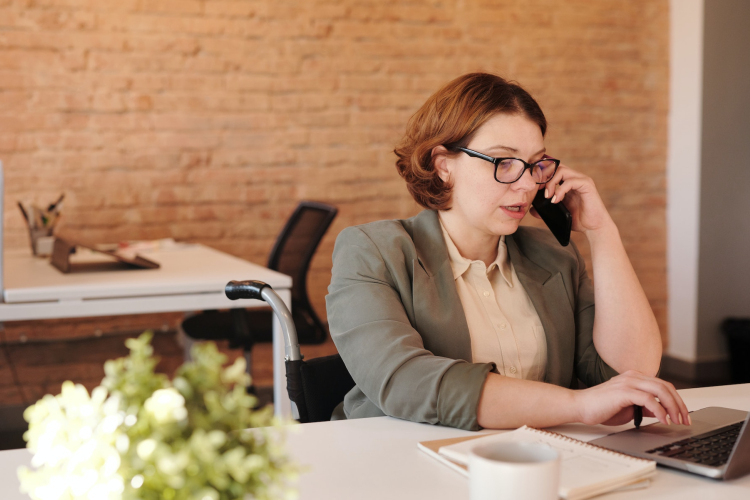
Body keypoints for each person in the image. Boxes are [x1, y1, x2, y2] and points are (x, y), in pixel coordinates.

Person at [325, 73, 690, 431]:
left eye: (536, 164)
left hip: (529, 464)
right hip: (398, 462)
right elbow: (403, 381)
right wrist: (578, 405)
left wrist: (601, 231)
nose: (529, 182)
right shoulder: (372, 251)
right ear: (444, 165)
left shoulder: (553, 255)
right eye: (504, 162)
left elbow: (631, 372)